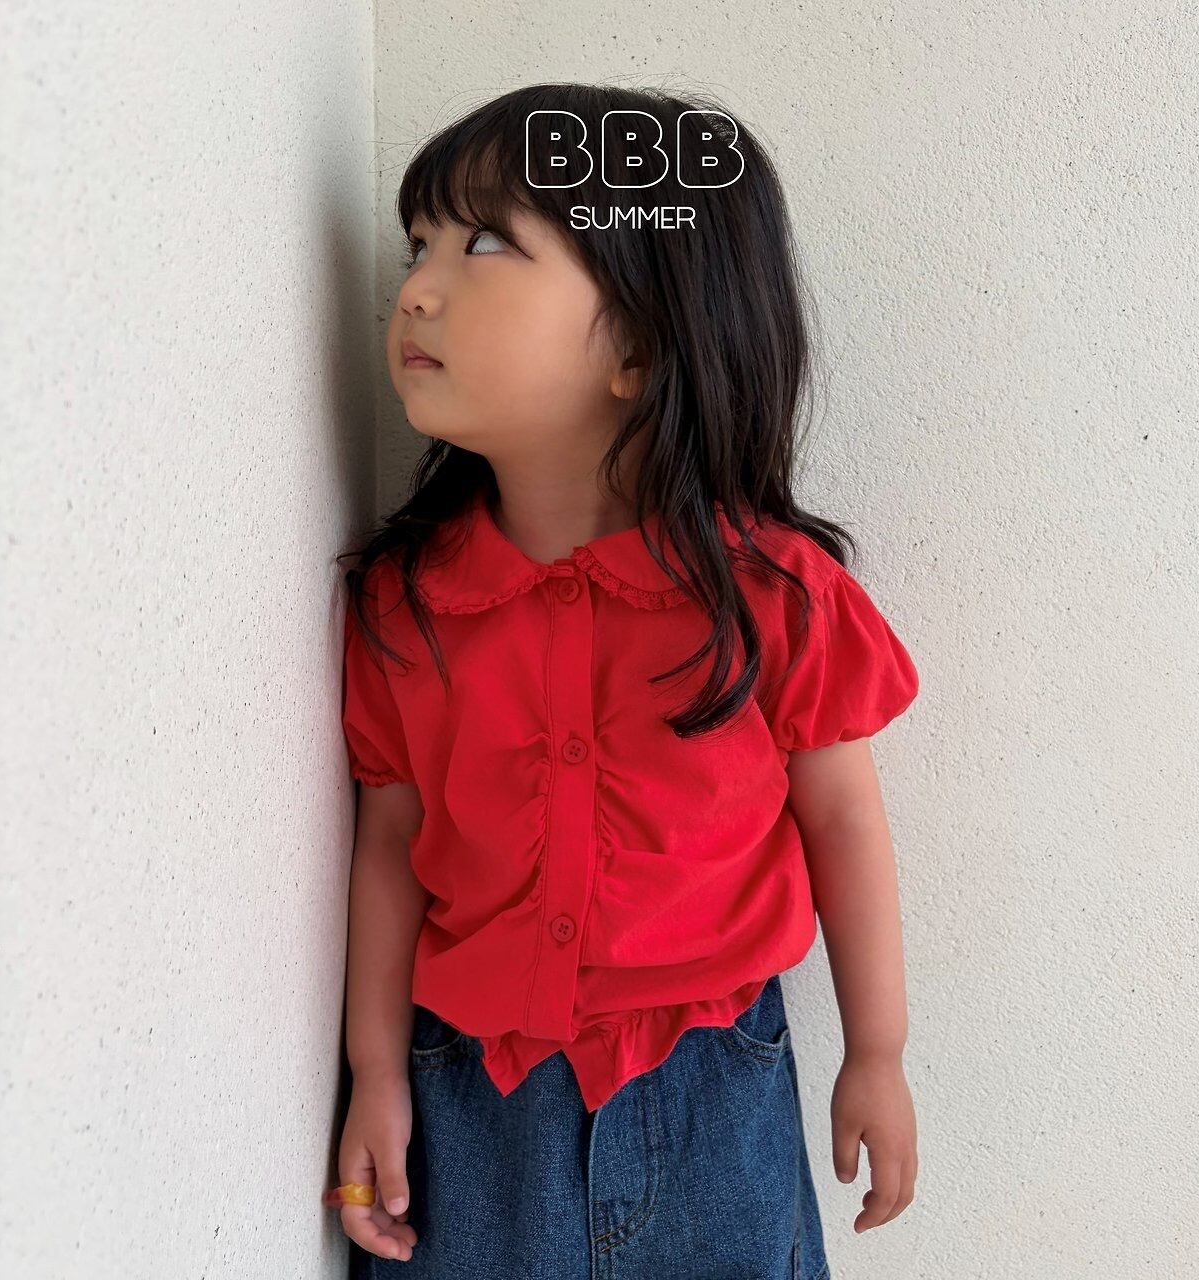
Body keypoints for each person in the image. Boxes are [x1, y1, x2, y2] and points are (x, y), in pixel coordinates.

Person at [331, 81, 921, 1279]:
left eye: (482, 244)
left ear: (641, 347)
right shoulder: (405, 608)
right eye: (416, 245)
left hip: (714, 1088)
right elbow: (390, 839)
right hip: (470, 1106)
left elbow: (843, 820)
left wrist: (878, 1052)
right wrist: (375, 1071)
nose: (418, 288)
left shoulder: (774, 597)